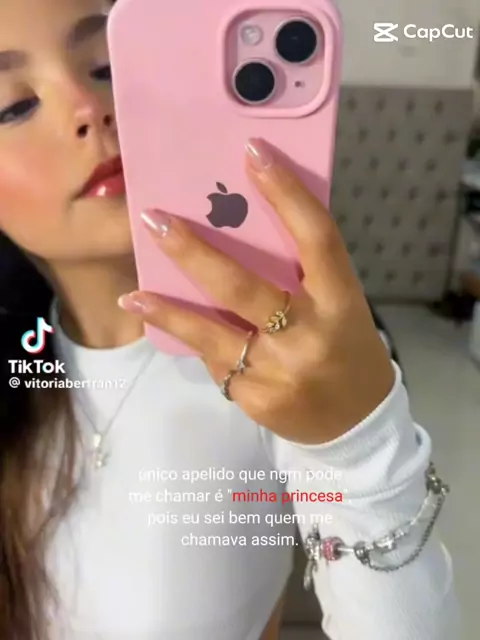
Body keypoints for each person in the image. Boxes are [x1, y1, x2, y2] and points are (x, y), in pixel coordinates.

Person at [0, 1, 459, 639]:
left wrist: (361, 448)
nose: (90, 107)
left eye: (107, 65)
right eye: (14, 106)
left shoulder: (284, 370)